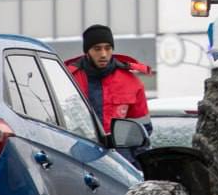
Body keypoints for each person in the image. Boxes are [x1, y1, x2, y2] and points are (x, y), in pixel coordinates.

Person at [64, 25, 152, 157]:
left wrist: (137, 163)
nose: (103, 54)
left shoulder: (131, 82)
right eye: (97, 49)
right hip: (78, 155)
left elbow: (142, 129)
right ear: (87, 51)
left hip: (122, 159)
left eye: (108, 48)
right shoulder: (67, 79)